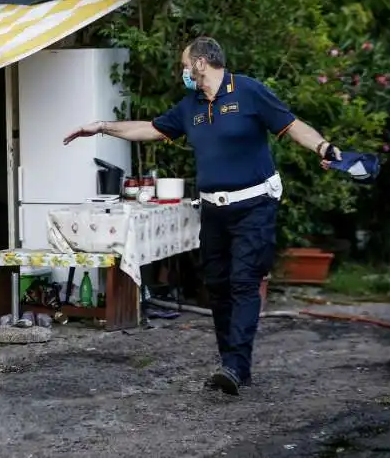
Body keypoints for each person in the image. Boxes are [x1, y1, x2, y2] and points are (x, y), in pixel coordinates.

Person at [63, 37, 341, 395]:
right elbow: (149, 128)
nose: (182, 72)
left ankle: (236, 367)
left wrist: (322, 146)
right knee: (219, 285)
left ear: (200, 64)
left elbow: (292, 125)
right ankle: (233, 364)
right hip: (213, 209)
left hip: (255, 204)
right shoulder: (190, 106)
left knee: (244, 282)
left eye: (184, 65)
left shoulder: (249, 92)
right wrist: (101, 126)